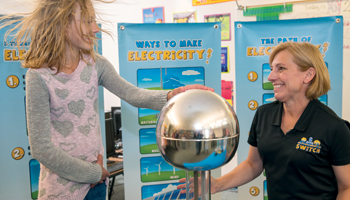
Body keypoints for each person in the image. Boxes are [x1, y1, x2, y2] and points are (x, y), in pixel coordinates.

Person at [0, 0, 213, 199]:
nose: (95, 28)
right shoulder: (38, 75)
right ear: (62, 23)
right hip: (62, 190)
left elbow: (134, 95)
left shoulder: (95, 63)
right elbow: (41, 148)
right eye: (87, 20)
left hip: (97, 185)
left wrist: (173, 94)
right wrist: (93, 172)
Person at [178, 42, 350, 199]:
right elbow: (254, 164)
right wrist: (216, 185)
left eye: (281, 68)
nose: (271, 77)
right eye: (272, 69)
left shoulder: (334, 127)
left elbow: (346, 187)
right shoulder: (264, 114)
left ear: (308, 74)